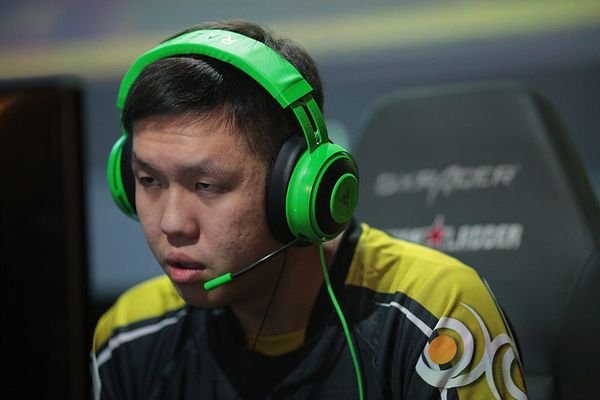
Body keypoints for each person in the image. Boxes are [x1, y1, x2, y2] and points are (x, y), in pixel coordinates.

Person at [91, 19, 528, 399]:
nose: (171, 223)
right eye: (148, 181)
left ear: (298, 189)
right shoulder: (129, 334)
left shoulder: (436, 319)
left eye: (207, 186)